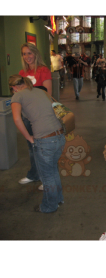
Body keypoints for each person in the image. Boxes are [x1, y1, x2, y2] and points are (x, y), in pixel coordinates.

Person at [9, 75, 66, 213]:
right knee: (53, 171)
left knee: (47, 176)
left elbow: (17, 120)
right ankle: (58, 199)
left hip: (45, 140)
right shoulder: (41, 91)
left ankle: (49, 206)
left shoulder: (17, 96)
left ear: (14, 88)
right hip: (60, 136)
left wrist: (29, 137)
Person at [18, 43, 53, 189]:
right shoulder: (21, 73)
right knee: (32, 146)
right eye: (24, 54)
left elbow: (48, 94)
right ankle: (34, 174)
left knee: (43, 148)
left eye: (29, 53)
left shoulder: (43, 71)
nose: (27, 57)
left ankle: (48, 179)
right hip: (27, 115)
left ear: (35, 54)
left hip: (40, 116)